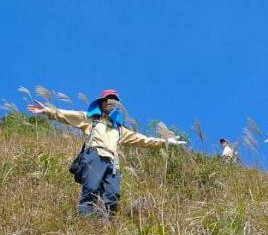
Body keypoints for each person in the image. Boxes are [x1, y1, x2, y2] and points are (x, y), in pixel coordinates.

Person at [27, 89, 186, 217]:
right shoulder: (91, 119)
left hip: (113, 164)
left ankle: (106, 224)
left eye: (114, 101)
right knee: (91, 189)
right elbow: (66, 115)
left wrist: (165, 141)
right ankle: (86, 222)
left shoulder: (119, 129)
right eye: (108, 100)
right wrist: (47, 110)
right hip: (94, 156)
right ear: (101, 103)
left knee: (113, 195)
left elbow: (143, 140)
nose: (111, 103)